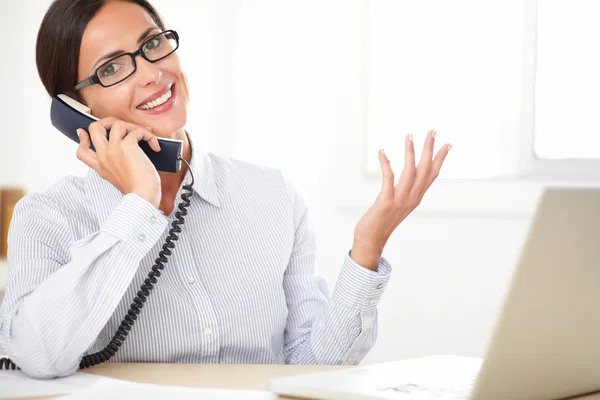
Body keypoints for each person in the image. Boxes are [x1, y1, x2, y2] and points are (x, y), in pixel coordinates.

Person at [0, 0, 450, 379]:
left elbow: (313, 368)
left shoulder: (273, 195)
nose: (152, 73)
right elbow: (38, 357)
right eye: (113, 67)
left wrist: (367, 247)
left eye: (152, 43)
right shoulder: (47, 217)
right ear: (75, 110)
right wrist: (139, 203)